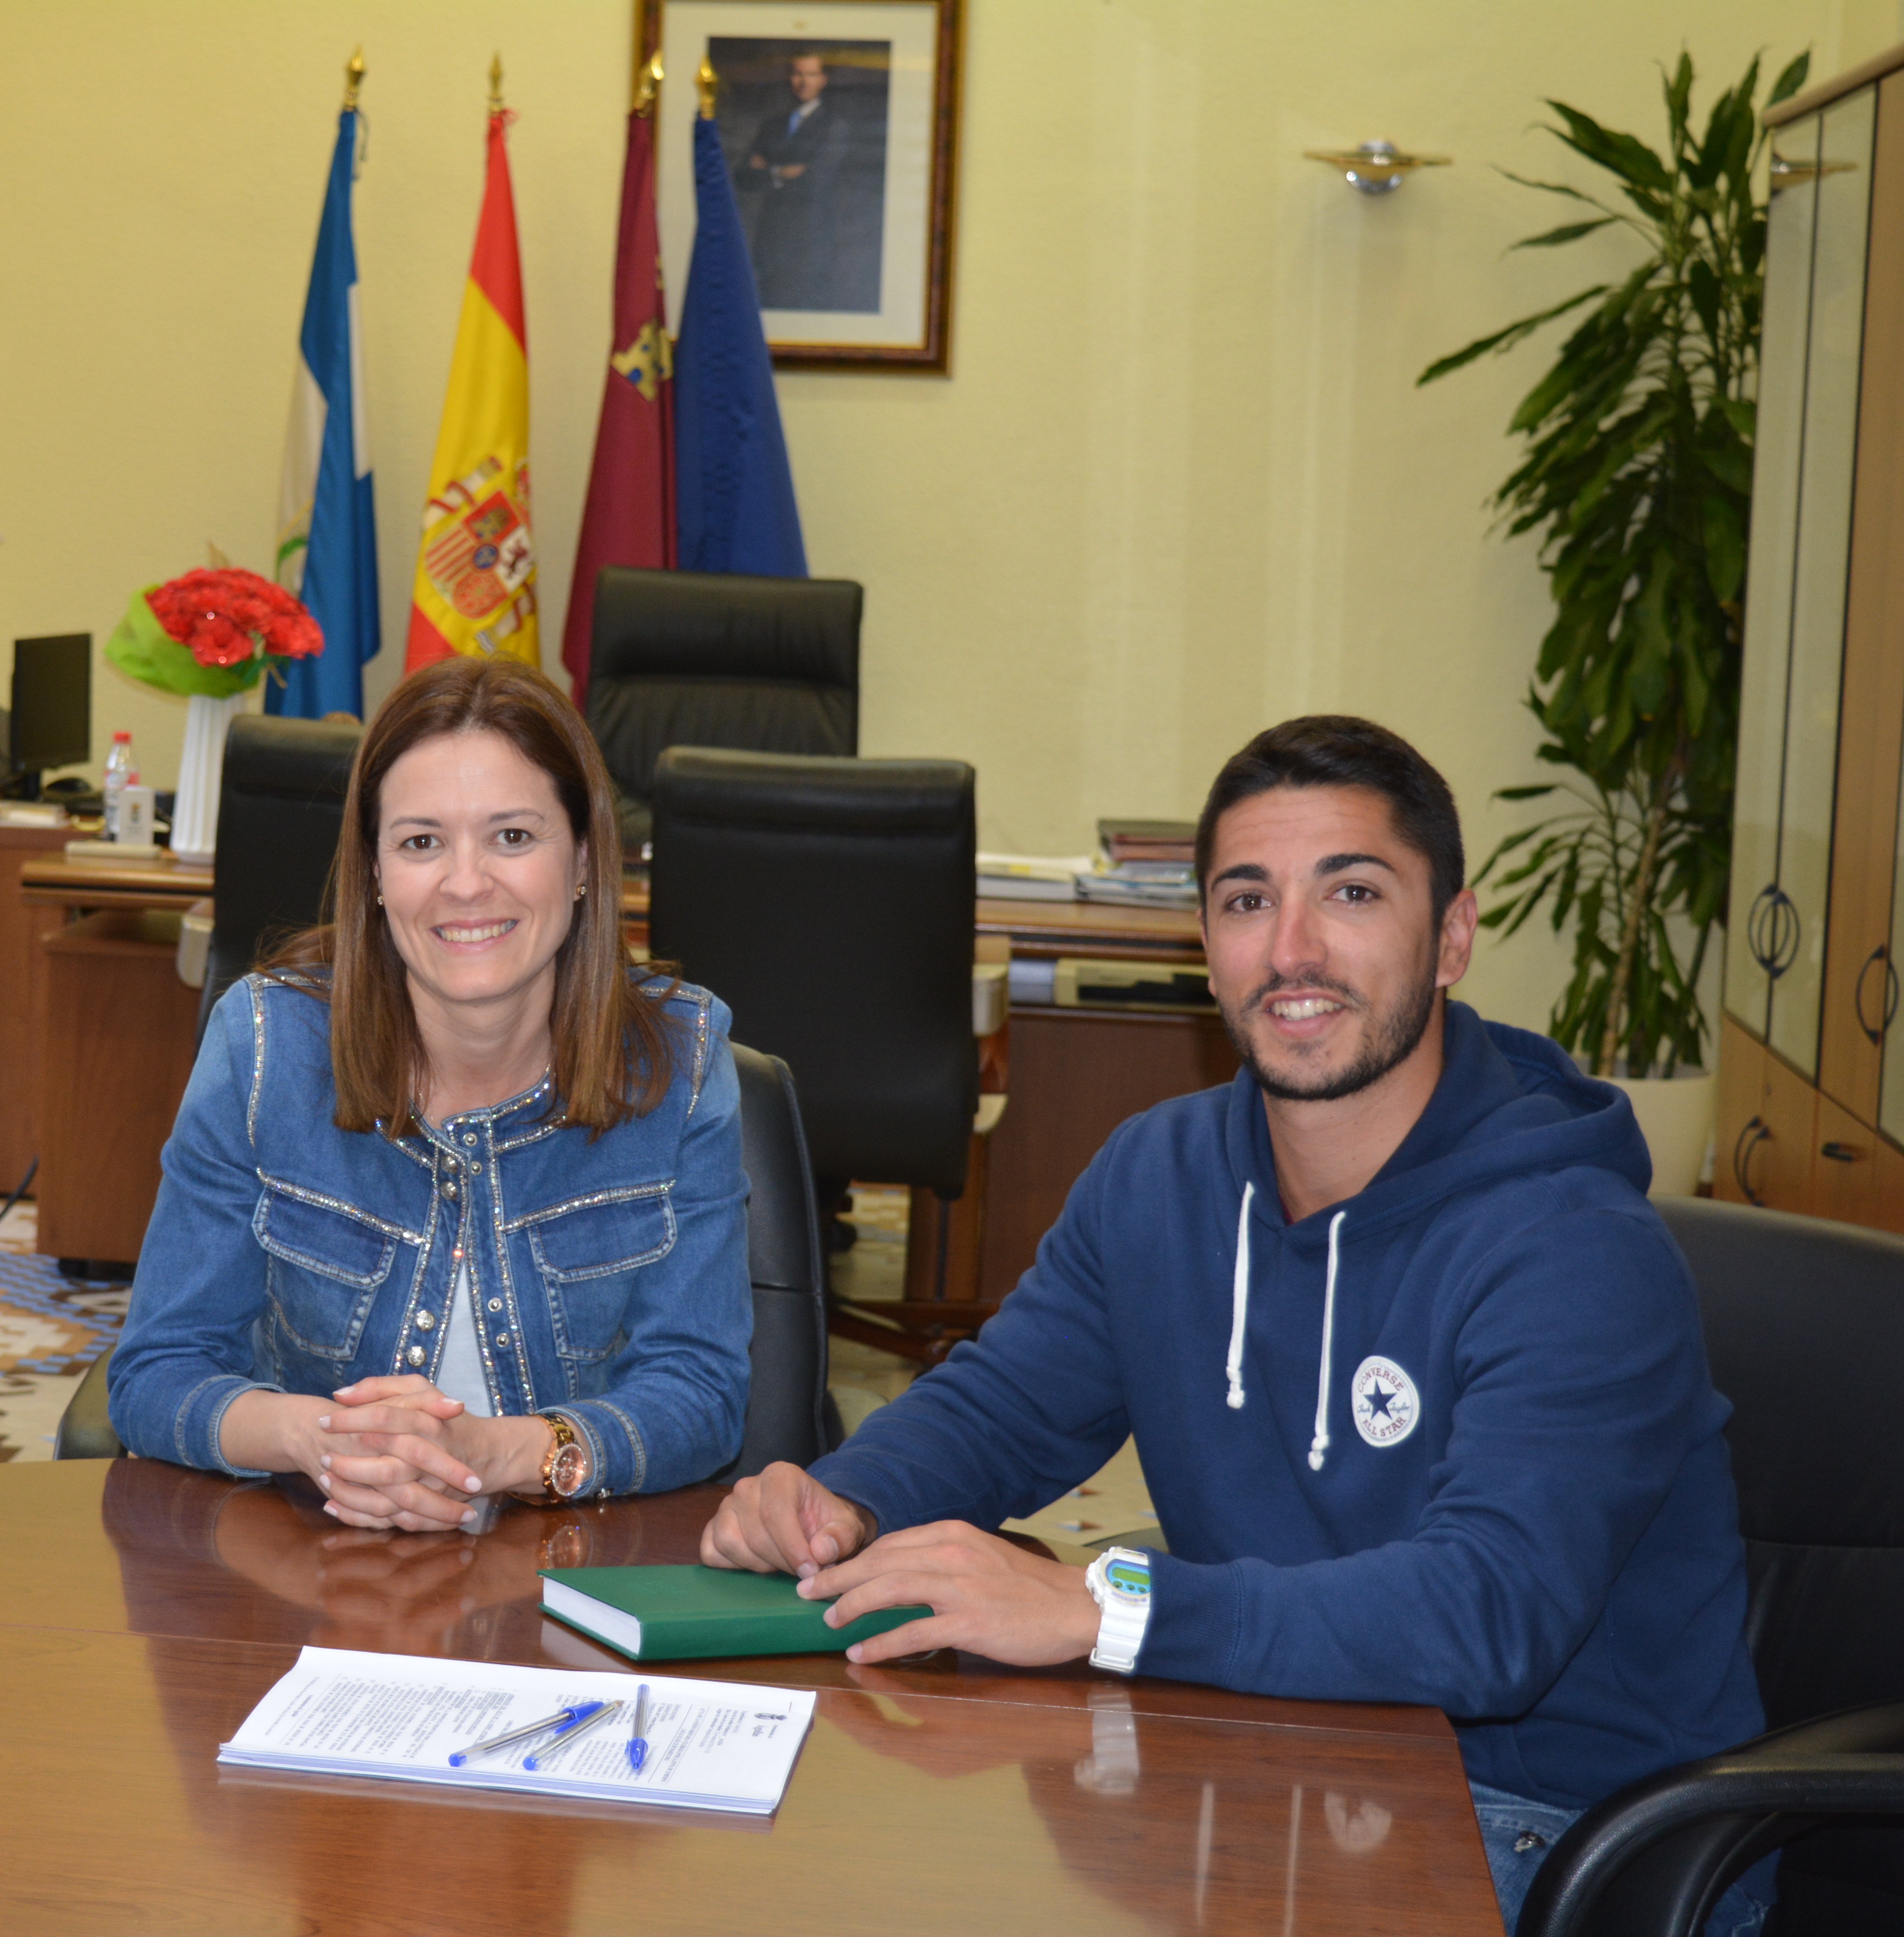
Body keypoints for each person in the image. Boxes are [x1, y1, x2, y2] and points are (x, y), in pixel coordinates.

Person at [702, 716, 1771, 1935]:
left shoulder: (1573, 1243)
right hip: (1274, 1748)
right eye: (1247, 901)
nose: (1294, 950)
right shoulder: (1157, 1173)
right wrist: (846, 1496)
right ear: (1205, 944)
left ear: (1454, 937)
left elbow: (1489, 1615)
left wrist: (1108, 1607)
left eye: (1353, 892)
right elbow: (1003, 1408)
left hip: (1561, 1826)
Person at [107, 657, 750, 1527]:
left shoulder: (679, 1064)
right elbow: (156, 1374)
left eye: (513, 837)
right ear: (373, 874)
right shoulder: (263, 1048)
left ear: (586, 860)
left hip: (567, 1575)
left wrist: (509, 1453)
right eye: (421, 842)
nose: (465, 882)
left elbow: (702, 1394)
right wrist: (321, 1440)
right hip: (312, 1566)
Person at [736, 53, 866, 312]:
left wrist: (768, 169)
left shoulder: (834, 127)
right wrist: (783, 172)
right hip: (771, 238)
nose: (803, 82)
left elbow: (817, 180)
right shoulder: (772, 126)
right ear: (789, 79)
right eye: (798, 74)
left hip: (811, 240)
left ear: (823, 80)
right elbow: (743, 177)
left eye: (811, 75)